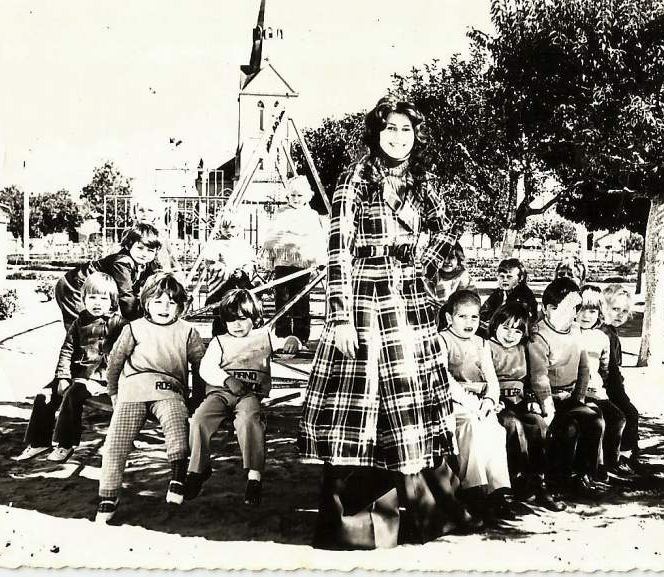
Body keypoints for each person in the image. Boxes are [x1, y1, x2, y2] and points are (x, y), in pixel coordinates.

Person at [298, 97, 477, 549]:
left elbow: (447, 234)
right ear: (376, 134)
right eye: (390, 129)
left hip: (412, 301)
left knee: (412, 404)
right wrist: (339, 317)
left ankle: (430, 515)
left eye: (406, 130)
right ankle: (354, 525)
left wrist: (421, 261)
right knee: (368, 405)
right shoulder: (354, 179)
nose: (399, 138)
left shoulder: (422, 182)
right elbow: (337, 251)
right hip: (366, 301)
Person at [95, 273, 205, 524]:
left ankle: (178, 476)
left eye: (171, 302)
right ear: (146, 304)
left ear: (180, 305)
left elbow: (200, 369)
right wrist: (113, 392)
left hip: (168, 389)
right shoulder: (134, 329)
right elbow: (115, 363)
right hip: (133, 389)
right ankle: (108, 494)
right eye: (157, 302)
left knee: (176, 423)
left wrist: (196, 401)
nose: (164, 307)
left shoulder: (187, 332)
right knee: (116, 440)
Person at [185, 289, 298, 505]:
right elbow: (207, 368)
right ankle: (197, 470)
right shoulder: (220, 341)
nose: (237, 325)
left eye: (242, 319)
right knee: (199, 419)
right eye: (231, 320)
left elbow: (286, 343)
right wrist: (227, 380)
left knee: (249, 421)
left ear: (254, 318)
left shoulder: (264, 337)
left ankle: (254, 476)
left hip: (249, 394)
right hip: (220, 392)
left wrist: (293, 340)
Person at [14, 273, 126, 463]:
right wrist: (63, 376)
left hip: (100, 378)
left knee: (73, 395)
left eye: (103, 298)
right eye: (92, 297)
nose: (97, 302)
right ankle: (39, 441)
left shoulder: (118, 323)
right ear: (83, 299)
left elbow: (125, 353)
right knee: (44, 395)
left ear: (112, 301)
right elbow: (66, 350)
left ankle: (65, 444)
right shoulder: (79, 323)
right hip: (75, 374)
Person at [438, 290, 513, 521]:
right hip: (453, 401)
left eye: (474, 317)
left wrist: (490, 400)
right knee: (470, 426)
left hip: (480, 402)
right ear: (450, 318)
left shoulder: (481, 342)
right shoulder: (441, 339)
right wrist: (471, 403)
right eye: (463, 317)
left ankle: (497, 491)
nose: (469, 323)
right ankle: (474, 490)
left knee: (494, 429)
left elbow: (492, 378)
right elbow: (444, 380)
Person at [528, 277, 605, 494]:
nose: (564, 314)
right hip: (546, 399)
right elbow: (538, 376)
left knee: (594, 419)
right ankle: (557, 482)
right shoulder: (539, 334)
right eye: (556, 308)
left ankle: (584, 475)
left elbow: (584, 367)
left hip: (569, 395)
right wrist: (548, 407)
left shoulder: (576, 331)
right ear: (545, 308)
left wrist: (579, 397)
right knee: (567, 429)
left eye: (572, 308)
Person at [487, 302, 565, 511]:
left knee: (538, 424)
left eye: (517, 330)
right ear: (495, 325)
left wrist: (532, 399)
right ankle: (517, 483)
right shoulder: (487, 347)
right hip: (498, 403)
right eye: (506, 327)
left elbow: (532, 378)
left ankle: (539, 482)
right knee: (513, 426)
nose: (510, 335)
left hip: (520, 402)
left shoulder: (524, 349)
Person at [262, 174, 327, 352]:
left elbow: (317, 238)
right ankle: (282, 335)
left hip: (303, 264)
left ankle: (301, 336)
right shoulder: (281, 213)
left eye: (300, 196)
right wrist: (270, 257)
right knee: (281, 299)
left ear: (307, 196)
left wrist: (320, 259)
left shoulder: (312, 215)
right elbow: (272, 237)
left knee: (301, 300)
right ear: (287, 196)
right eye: (293, 195)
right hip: (283, 263)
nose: (296, 199)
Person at [55, 223, 162, 330]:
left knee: (100, 325)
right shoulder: (122, 262)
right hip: (74, 286)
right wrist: (139, 321)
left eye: (150, 250)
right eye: (140, 248)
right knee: (83, 327)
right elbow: (126, 296)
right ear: (128, 245)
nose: (144, 254)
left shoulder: (144, 264)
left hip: (93, 288)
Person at [574, 285, 629, 479]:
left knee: (617, 417)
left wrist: (598, 384)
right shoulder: (570, 334)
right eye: (582, 309)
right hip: (574, 391)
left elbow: (605, 369)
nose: (586, 316)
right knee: (594, 419)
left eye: (592, 310)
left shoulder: (601, 337)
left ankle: (610, 462)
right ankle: (591, 468)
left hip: (594, 390)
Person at [602, 284, 642, 469]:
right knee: (629, 414)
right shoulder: (604, 334)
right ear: (604, 307)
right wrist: (621, 395)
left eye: (624, 311)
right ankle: (622, 457)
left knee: (628, 413)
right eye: (615, 309)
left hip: (611, 383)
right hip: (606, 386)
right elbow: (611, 371)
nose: (619, 314)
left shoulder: (611, 332)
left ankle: (625, 454)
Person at [203, 211, 259, 334]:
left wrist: (243, 271)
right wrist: (222, 268)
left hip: (239, 284)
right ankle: (219, 338)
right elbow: (209, 263)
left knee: (240, 310)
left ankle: (241, 334)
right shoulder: (215, 244)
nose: (229, 230)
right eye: (225, 227)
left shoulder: (243, 244)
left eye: (233, 227)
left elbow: (251, 262)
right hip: (222, 285)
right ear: (219, 228)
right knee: (220, 313)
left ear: (239, 228)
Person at [479, 258, 538, 325]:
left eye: (509, 277)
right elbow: (484, 311)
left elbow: (524, 321)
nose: (505, 280)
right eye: (502, 276)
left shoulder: (524, 296)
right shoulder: (499, 293)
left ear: (520, 278)